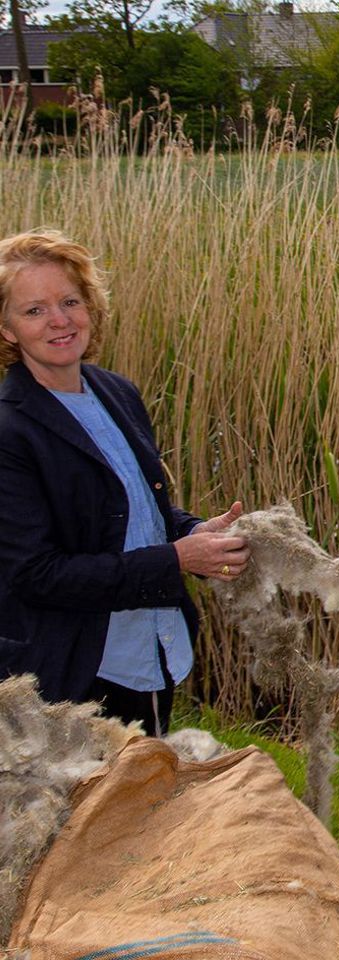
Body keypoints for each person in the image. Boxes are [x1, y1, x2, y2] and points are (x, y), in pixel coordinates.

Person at [0, 229, 250, 735]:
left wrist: (195, 533)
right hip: (76, 673)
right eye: (34, 311)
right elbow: (36, 575)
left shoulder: (116, 391)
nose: (60, 320)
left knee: (150, 801)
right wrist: (177, 560)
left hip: (152, 648)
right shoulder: (10, 430)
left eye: (70, 301)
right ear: (6, 329)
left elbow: (136, 514)